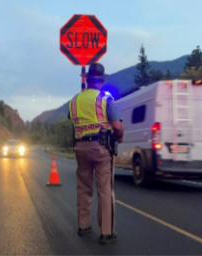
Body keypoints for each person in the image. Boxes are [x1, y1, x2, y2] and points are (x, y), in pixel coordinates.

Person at [68, 63, 124, 244]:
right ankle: (106, 232)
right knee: (105, 189)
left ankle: (83, 226)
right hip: (101, 148)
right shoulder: (105, 99)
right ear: (101, 81)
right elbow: (116, 125)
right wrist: (120, 136)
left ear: (86, 79)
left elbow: (72, 120)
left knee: (83, 187)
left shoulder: (75, 100)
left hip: (80, 148)